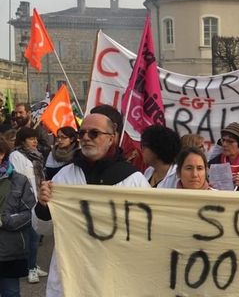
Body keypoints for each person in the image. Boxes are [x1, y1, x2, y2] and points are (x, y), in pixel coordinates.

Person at [34, 113, 150, 297]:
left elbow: (145, 232)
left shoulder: (133, 180)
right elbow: (44, 230)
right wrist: (43, 206)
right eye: (82, 134)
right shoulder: (64, 177)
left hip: (114, 277)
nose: (86, 138)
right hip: (72, 277)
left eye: (94, 133)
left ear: (111, 138)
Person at [9, 127, 47, 284]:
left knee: (35, 235)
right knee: (30, 237)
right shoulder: (16, 156)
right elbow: (17, 180)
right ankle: (30, 269)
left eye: (36, 138)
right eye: (31, 139)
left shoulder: (36, 156)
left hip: (38, 200)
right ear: (22, 140)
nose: (35, 141)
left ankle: (32, 264)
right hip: (25, 202)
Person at [0, 137, 36, 297]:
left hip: (9, 251)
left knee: (10, 292)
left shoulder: (19, 181)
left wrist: (4, 220)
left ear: (2, 154)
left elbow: (31, 214)